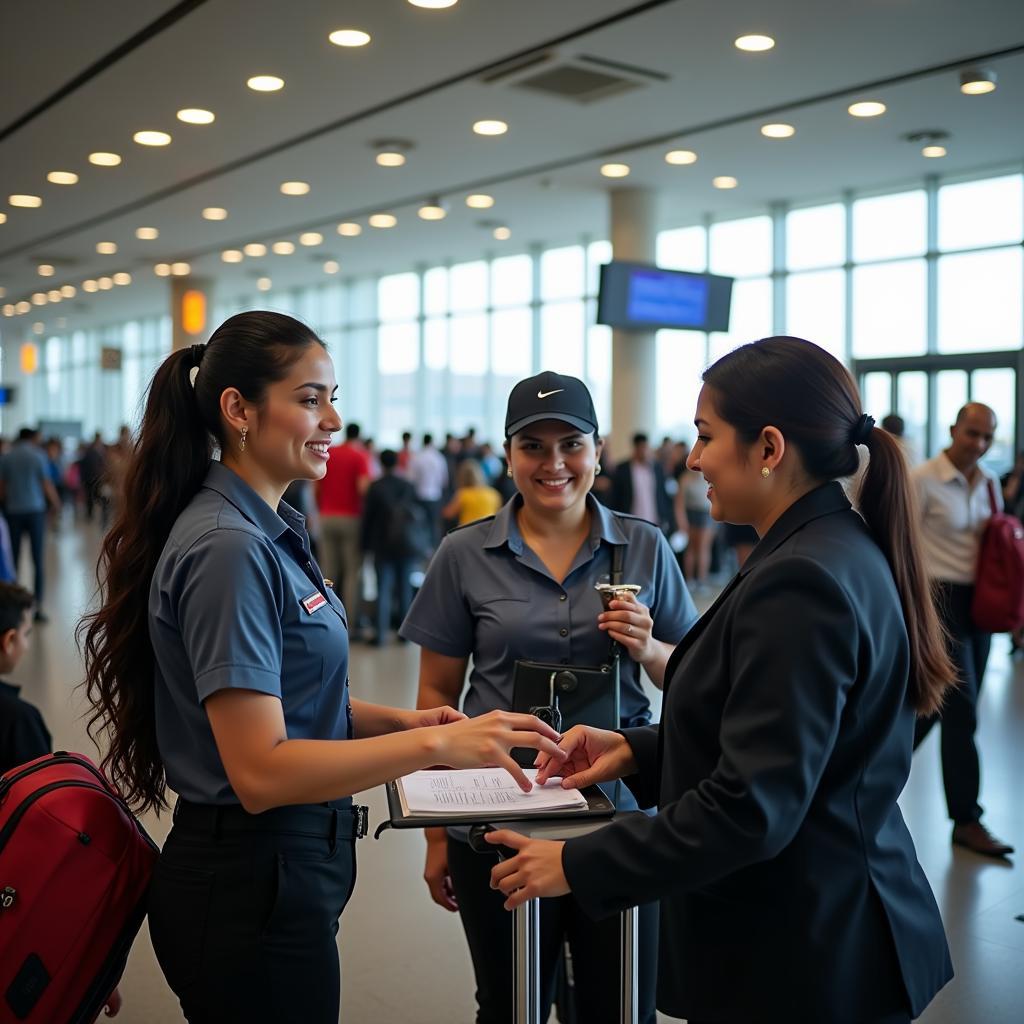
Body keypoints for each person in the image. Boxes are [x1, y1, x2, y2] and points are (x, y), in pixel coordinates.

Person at [78, 311, 565, 1024]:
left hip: (280, 874)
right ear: (238, 409)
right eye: (310, 399)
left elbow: (295, 699)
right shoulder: (229, 549)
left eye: (333, 397)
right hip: (250, 885)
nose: (333, 419)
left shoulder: (267, 533)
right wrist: (431, 748)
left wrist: (409, 720)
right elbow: (261, 769)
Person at [488, 337, 955, 1024]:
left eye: (707, 436)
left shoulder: (801, 579)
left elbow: (753, 807)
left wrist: (578, 863)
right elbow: (788, 743)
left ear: (768, 448)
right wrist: (639, 751)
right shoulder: (825, 548)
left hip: (803, 954)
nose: (695, 457)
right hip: (821, 931)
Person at [401, 370, 697, 1024]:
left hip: (618, 818)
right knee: (511, 1001)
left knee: (619, 1000)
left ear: (597, 451)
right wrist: (436, 838)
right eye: (533, 445)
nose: (554, 463)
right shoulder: (463, 555)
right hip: (499, 814)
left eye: (571, 444)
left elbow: (695, 683)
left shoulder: (643, 545)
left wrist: (650, 650)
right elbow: (436, 699)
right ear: (508, 454)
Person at [911, 403, 1014, 857]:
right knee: (963, 710)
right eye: (972, 433)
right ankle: (967, 820)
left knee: (934, 708)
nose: (979, 444)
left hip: (981, 604)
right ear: (953, 429)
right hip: (938, 602)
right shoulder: (923, 480)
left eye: (987, 437)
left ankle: (863, 770)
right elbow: (901, 545)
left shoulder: (990, 482)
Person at [360, 449, 420, 645]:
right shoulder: (407, 485)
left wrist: (364, 544)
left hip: (382, 543)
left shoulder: (375, 487)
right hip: (406, 543)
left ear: (381, 463)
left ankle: (380, 635)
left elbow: (368, 517)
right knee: (404, 588)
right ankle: (404, 633)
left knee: (383, 588)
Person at [315, 421, 371, 629]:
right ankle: (349, 623)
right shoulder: (360, 456)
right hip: (351, 518)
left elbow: (316, 488)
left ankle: (326, 618)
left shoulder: (330, 453)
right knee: (351, 573)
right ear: (359, 435)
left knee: (328, 570)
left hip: (327, 516)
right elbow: (363, 488)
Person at [0, 427, 59, 621]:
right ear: (32, 438)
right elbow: (46, 484)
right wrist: (56, 502)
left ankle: (13, 608)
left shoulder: (7, 457)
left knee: (13, 559)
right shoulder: (38, 455)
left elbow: (2, 488)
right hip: (34, 512)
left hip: (13, 512)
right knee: (37, 560)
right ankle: (38, 608)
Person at [0, 582, 50, 775]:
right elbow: (43, 793)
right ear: (9, 640)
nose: (26, 646)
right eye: (26, 634)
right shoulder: (20, 720)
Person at [608, 432, 674, 533]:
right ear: (635, 448)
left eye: (646, 447)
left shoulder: (657, 468)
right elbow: (615, 497)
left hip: (654, 521)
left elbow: (662, 494)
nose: (644, 451)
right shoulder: (622, 469)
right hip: (630, 521)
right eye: (641, 447)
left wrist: (666, 517)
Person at [407, 432, 448, 548]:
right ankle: (435, 550)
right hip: (435, 496)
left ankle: (422, 548)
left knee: (420, 524)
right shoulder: (439, 458)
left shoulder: (417, 457)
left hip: (419, 496)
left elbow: (410, 479)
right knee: (434, 525)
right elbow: (444, 480)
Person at [441, 458, 502, 527]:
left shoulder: (463, 494)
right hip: (489, 530)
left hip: (467, 531)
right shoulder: (493, 493)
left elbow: (449, 514)